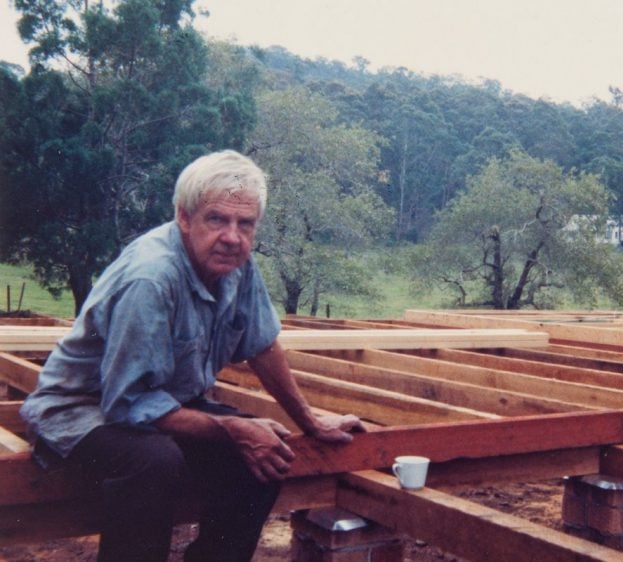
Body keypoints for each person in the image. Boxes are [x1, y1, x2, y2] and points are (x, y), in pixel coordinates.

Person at [20, 150, 365, 562]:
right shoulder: (151, 279)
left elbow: (261, 343)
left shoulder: (236, 263)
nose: (232, 237)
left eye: (245, 224)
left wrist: (308, 421)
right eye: (216, 219)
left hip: (166, 402)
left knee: (267, 454)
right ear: (185, 218)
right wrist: (232, 428)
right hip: (83, 409)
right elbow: (126, 404)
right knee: (153, 462)